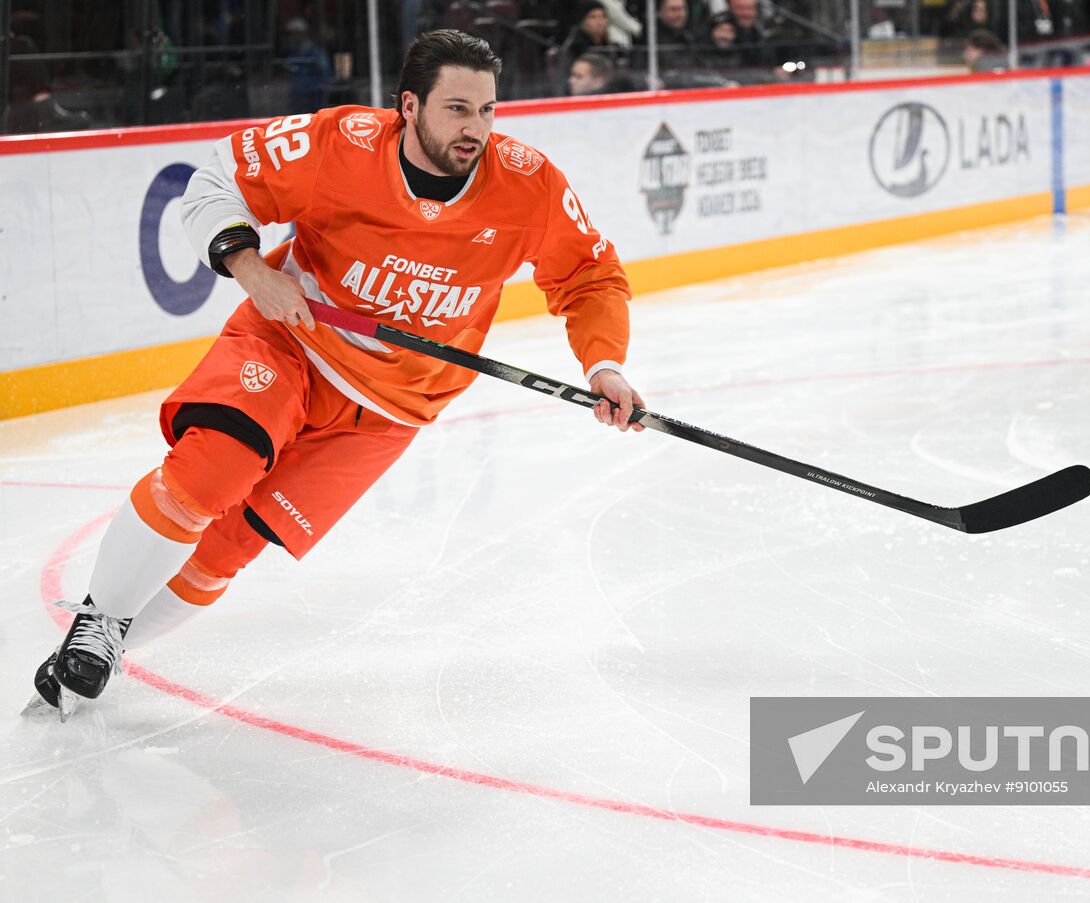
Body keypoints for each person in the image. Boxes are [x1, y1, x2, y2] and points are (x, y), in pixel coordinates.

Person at [26, 29, 645, 720]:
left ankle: (109, 642)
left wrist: (606, 363)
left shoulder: (527, 182)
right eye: (458, 109)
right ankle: (101, 619)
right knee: (213, 472)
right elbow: (220, 176)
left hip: (392, 410)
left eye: (488, 111)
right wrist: (252, 269)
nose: (477, 129)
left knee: (225, 552)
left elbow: (591, 276)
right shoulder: (341, 143)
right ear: (408, 106)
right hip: (293, 343)